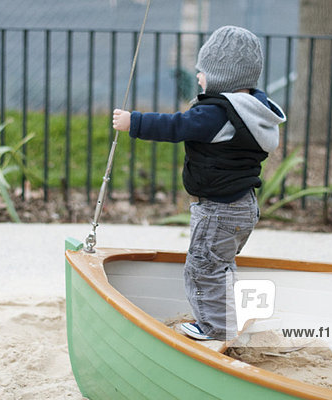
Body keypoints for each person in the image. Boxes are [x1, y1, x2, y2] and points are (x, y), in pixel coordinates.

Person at [112, 25, 286, 341]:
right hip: (242, 206)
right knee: (221, 267)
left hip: (219, 210)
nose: (199, 78)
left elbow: (177, 125)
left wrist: (133, 122)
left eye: (203, 72)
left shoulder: (216, 114)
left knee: (202, 269)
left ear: (223, 77)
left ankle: (217, 329)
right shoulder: (252, 112)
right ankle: (230, 320)